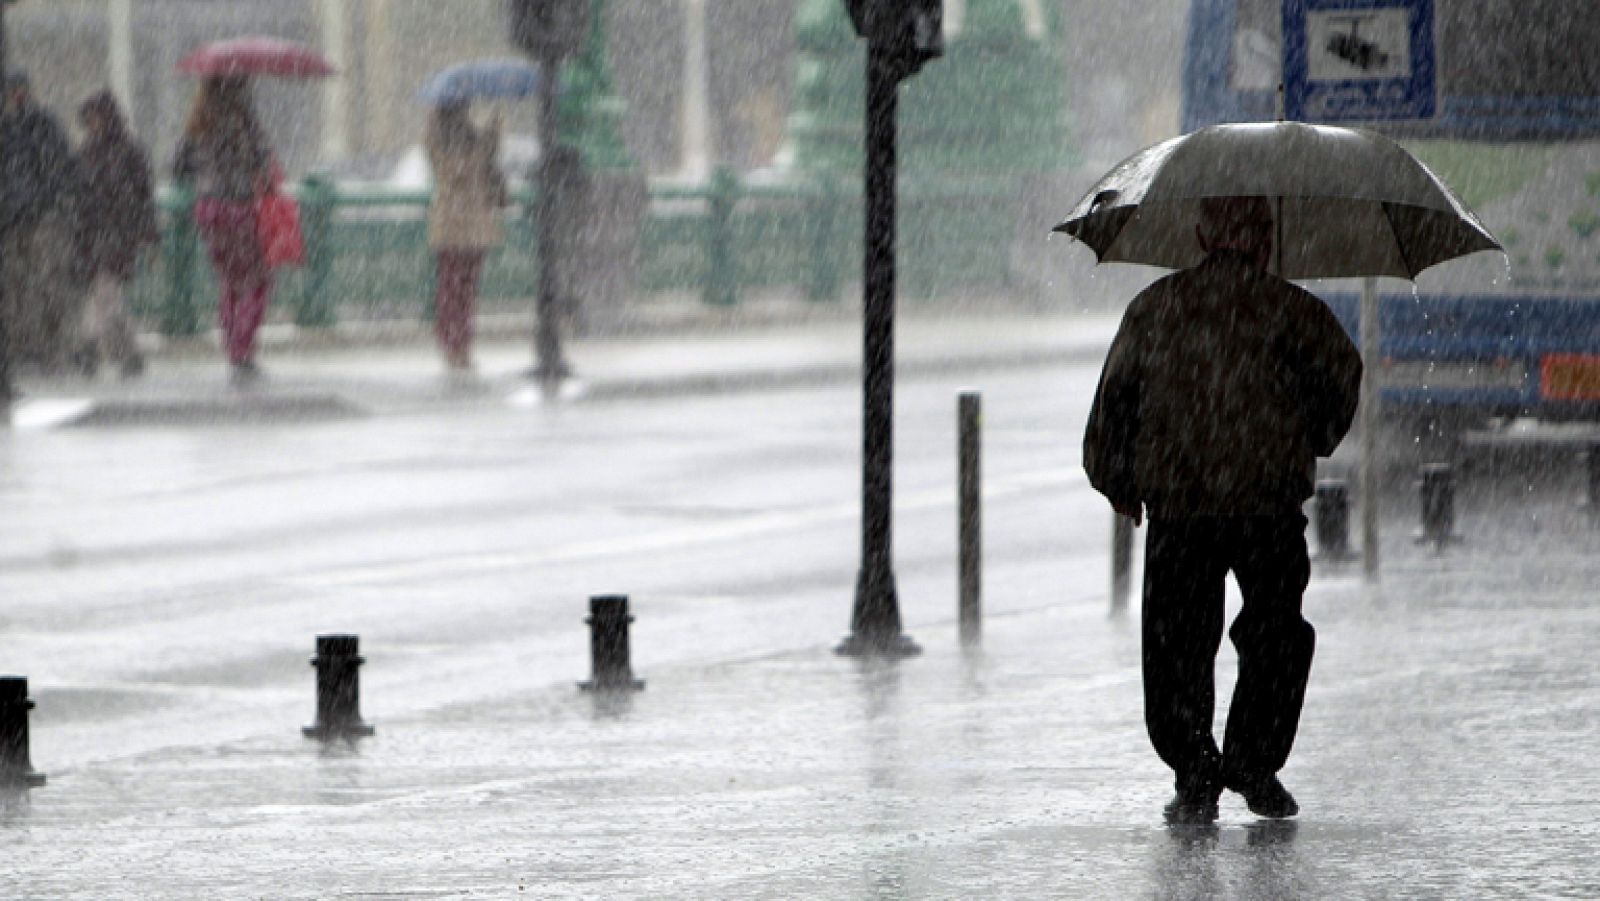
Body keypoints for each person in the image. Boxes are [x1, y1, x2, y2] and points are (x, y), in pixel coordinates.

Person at [1083, 195, 1363, 825]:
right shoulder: (1295, 312)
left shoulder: (1155, 308)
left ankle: (1195, 769)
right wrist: (1308, 435)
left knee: (1177, 642)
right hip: (1267, 505)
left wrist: (1119, 480)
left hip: (1181, 506)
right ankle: (1253, 762)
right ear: (1265, 239)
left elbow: (1113, 404)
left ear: (1200, 233)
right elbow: (1341, 381)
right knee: (1275, 633)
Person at [172, 75, 273, 384]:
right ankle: (243, 350)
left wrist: (205, 177)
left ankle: (232, 345)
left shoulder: (198, 124)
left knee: (228, 280)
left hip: (208, 210)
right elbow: (264, 170)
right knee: (257, 280)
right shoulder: (245, 123)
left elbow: (177, 168)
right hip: (239, 208)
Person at [0, 71, 83, 375]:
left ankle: (38, 346)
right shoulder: (44, 125)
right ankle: (34, 347)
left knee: (35, 285)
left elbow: (60, 168)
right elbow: (63, 167)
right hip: (25, 218)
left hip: (30, 217)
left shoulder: (38, 126)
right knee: (26, 286)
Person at [73, 89, 157, 378]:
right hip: (100, 231)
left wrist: (148, 233)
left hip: (116, 233)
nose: (91, 123)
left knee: (104, 292)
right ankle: (128, 353)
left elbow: (143, 194)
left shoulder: (122, 151)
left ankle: (88, 345)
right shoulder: (95, 152)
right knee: (107, 295)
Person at [425, 100, 505, 373]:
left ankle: (453, 343)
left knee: (451, 288)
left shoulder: (440, 141)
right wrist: (493, 127)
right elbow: (485, 157)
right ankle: (459, 345)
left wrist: (494, 126)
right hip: (472, 225)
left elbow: (442, 159)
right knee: (464, 290)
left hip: (452, 224)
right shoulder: (473, 141)